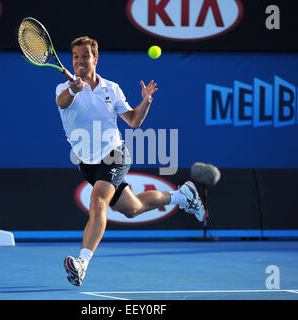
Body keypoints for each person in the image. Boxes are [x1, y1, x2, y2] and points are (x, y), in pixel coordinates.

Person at [55, 36, 206, 286]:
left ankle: (82, 262)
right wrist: (73, 89)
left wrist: (145, 102)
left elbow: (134, 121)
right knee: (132, 209)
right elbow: (63, 101)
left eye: (84, 56)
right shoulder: (64, 88)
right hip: (87, 165)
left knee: (98, 200)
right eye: (75, 57)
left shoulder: (111, 89)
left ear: (95, 58)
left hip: (114, 152)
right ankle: (183, 196)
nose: (79, 61)